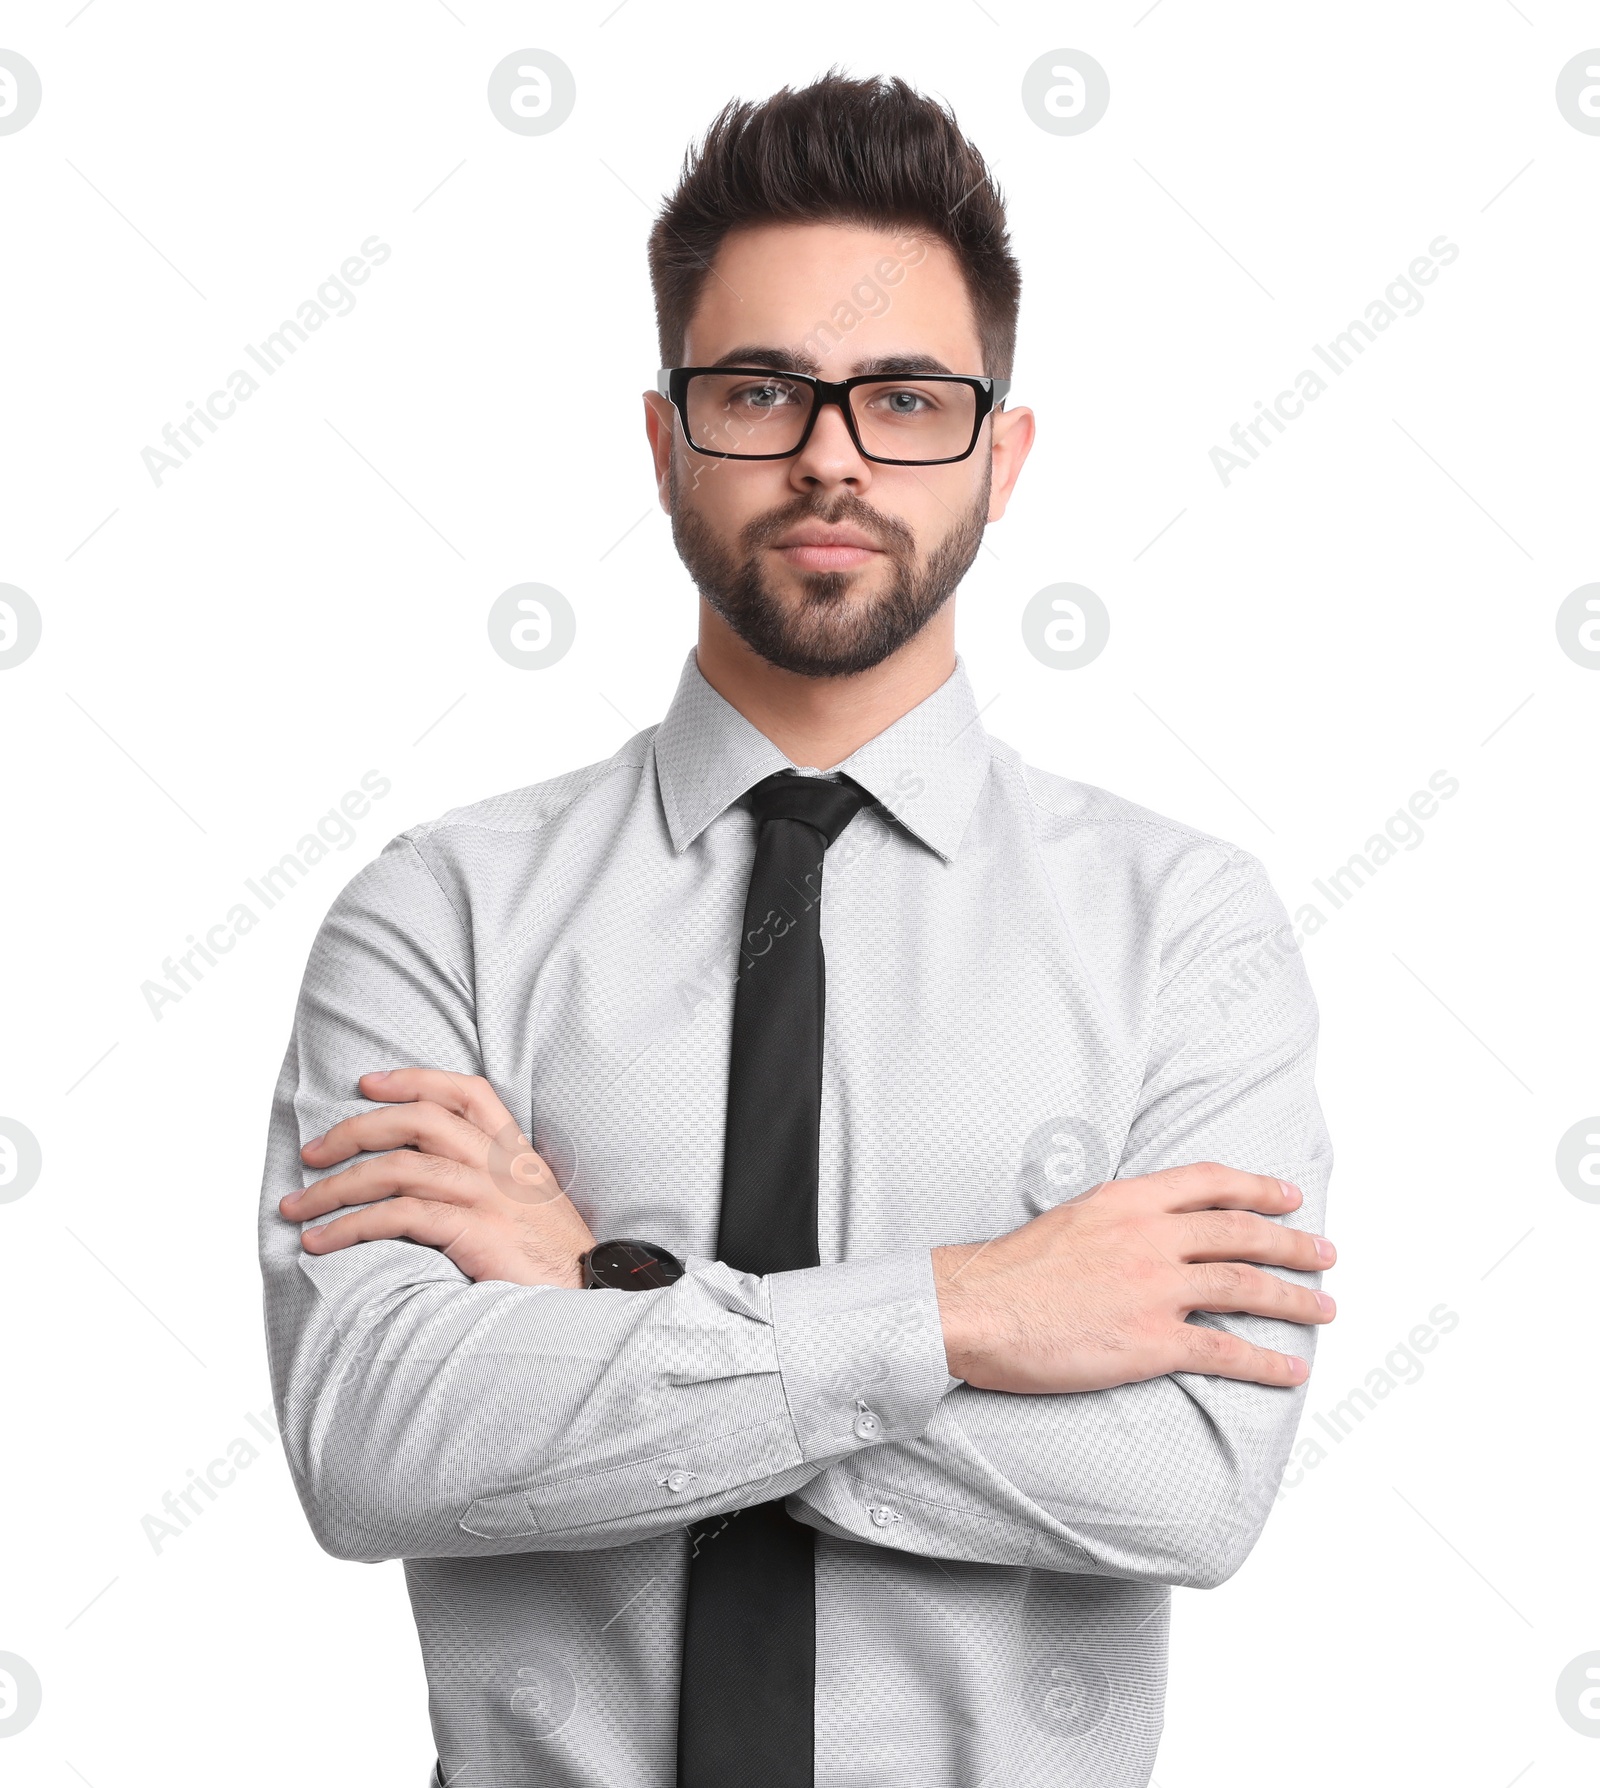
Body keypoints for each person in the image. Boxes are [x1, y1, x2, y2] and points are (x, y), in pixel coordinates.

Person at [259, 70, 1336, 1788]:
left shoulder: (1182, 931)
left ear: (1005, 451)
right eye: (761, 389)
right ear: (666, 436)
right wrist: (975, 1313)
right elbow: (378, 1443)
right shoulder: (441, 913)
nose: (832, 453)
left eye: (905, 396)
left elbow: (1185, 1489)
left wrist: (611, 1294)